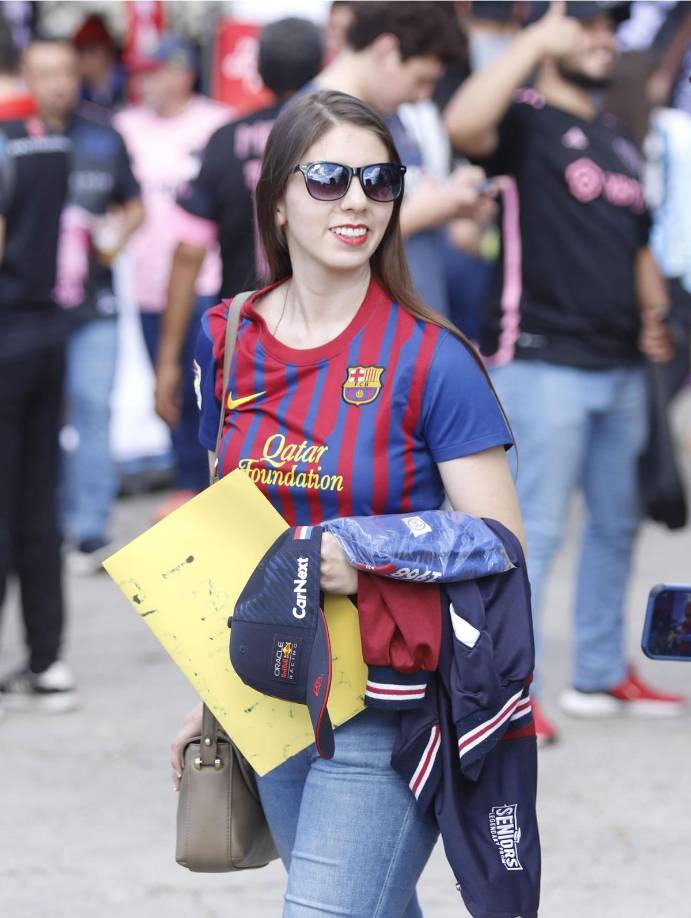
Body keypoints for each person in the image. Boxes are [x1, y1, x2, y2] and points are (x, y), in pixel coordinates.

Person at [171, 90, 527, 917]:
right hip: (269, 694)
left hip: (387, 703)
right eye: (327, 178)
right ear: (277, 199)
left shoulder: (434, 358)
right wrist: (213, 697)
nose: (357, 200)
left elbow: (500, 540)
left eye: (379, 180)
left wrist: (360, 553)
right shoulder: (228, 338)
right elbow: (226, 529)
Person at [444, 0, 686, 743]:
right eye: (587, 24)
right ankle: (510, 695)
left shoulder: (616, 137)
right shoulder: (522, 117)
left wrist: (655, 315)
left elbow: (635, 242)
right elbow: (461, 124)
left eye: (611, 26)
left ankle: (598, 673)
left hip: (621, 366)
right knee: (531, 532)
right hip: (540, 358)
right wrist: (531, 43)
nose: (603, 38)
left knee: (615, 525)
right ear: (550, 34)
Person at [155, 16, 324, 430]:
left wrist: (168, 361)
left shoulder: (225, 138)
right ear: (322, 65)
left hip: (246, 336)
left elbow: (188, 254)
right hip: (330, 331)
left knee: (242, 454)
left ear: (259, 70)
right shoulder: (336, 135)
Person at [310, 1, 490, 315]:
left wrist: (450, 202)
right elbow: (316, 246)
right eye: (421, 80)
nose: (423, 96)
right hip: (364, 332)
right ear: (387, 51)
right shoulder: (315, 123)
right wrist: (424, 213)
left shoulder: (388, 113)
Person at [114, 36, 229, 520]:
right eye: (140, 72)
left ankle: (211, 485)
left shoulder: (217, 123)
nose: (145, 82)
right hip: (148, 285)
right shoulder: (124, 126)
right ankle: (187, 483)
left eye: (155, 71)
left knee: (207, 389)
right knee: (169, 390)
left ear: (183, 73)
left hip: (205, 283)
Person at [41, 38, 144, 574]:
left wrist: (117, 234)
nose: (58, 83)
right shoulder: (12, 136)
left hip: (95, 302)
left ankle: (89, 529)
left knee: (93, 407)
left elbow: (135, 205)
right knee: (39, 415)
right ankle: (46, 522)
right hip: (29, 308)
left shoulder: (105, 134)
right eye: (45, 73)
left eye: (66, 71)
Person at [0, 36, 75, 712]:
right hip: (46, 331)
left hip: (10, 331)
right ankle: (47, 659)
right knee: (38, 500)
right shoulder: (49, 140)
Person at [73, 13, 126, 116]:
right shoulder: (78, 89)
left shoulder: (129, 82)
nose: (82, 59)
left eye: (90, 51)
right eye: (78, 51)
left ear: (106, 51)